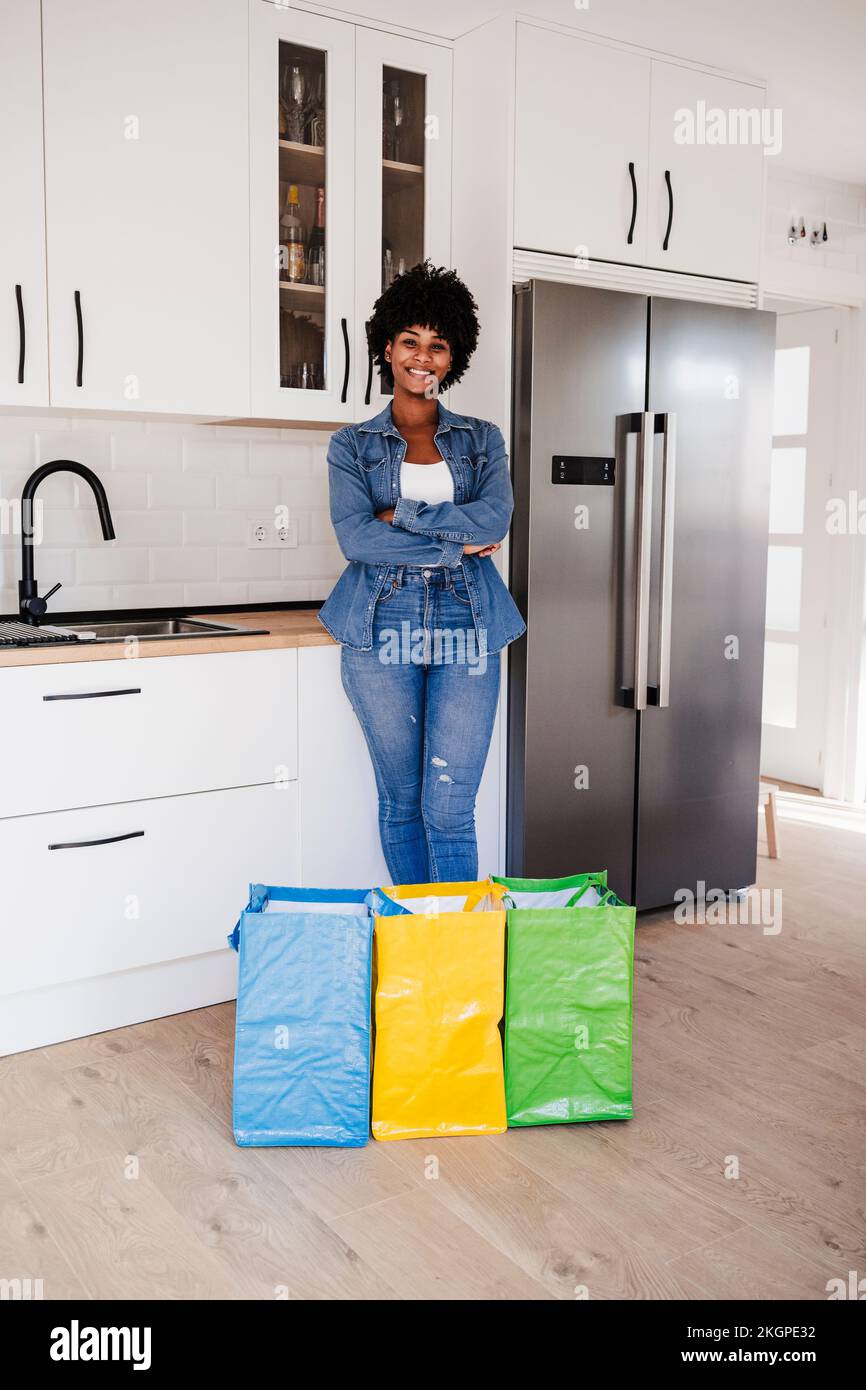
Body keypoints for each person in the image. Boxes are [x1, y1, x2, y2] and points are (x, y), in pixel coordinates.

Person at [317, 260, 526, 883]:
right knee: (404, 803)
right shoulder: (351, 446)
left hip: (470, 622)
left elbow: (492, 522)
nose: (423, 357)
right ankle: (420, 950)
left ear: (452, 359)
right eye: (411, 341)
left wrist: (400, 515)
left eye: (438, 346)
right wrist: (450, 544)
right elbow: (357, 538)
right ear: (388, 347)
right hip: (382, 624)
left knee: (452, 807)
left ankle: (458, 960)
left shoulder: (482, 439)